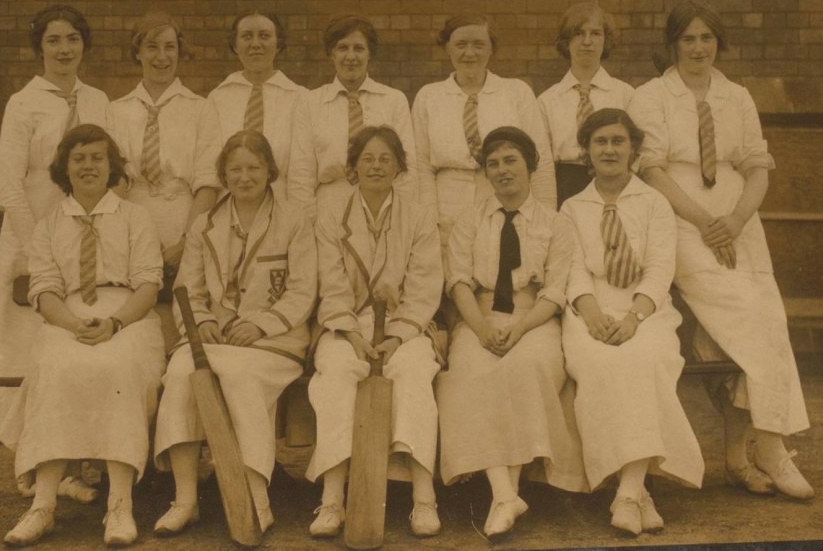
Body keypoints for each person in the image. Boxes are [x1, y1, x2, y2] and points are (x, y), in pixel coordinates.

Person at [628, 0, 813, 500]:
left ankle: (743, 456)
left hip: (740, 223)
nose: (697, 48)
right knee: (746, 321)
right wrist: (706, 222)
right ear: (672, 45)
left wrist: (733, 220)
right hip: (681, 221)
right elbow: (651, 169)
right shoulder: (650, 97)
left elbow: (757, 165)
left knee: (767, 320)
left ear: (718, 43)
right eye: (687, 39)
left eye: (706, 38)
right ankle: (773, 447)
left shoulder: (738, 96)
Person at [0, 124, 165, 547]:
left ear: (111, 167)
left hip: (128, 318)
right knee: (55, 366)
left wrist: (116, 323)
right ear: (64, 168)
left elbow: (148, 284)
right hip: (67, 319)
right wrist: (73, 325)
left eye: (97, 157)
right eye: (79, 158)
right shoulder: (50, 223)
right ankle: (44, 505)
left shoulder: (135, 217)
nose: (88, 166)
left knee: (118, 365)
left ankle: (119, 504)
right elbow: (45, 290)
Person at [0, 4, 108, 502]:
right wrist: (37, 251)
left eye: (72, 39)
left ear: (83, 45)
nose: (64, 49)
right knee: (27, 355)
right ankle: (32, 465)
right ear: (40, 48)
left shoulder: (98, 100)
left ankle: (71, 462)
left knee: (73, 350)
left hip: (83, 242)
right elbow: (8, 185)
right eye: (53, 41)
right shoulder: (23, 104)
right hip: (30, 245)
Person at [152, 131, 317, 538]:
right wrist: (204, 321)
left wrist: (261, 323)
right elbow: (186, 289)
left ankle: (255, 495)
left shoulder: (295, 220)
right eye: (236, 169)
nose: (245, 177)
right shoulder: (205, 223)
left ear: (269, 171)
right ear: (223, 175)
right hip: (214, 336)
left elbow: (303, 289)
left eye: (254, 168)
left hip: (273, 341)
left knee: (241, 378)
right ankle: (185, 498)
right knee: (179, 375)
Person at [560, 108, 704, 536]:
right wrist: (591, 314)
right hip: (589, 309)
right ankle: (639, 492)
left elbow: (660, 268)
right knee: (603, 365)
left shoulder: (654, 202)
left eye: (618, 141)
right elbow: (573, 271)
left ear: (633, 150)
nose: (609, 149)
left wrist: (635, 317)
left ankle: (627, 492)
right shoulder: (572, 207)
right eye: (600, 142)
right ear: (587, 151)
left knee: (643, 361)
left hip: (646, 309)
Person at [436, 126, 585, 538]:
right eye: (493, 164)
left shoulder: (555, 223)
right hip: (479, 316)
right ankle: (506, 494)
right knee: (466, 376)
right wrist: (480, 328)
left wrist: (520, 326)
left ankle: (505, 494)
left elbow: (555, 291)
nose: (502, 171)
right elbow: (459, 282)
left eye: (511, 161)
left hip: (533, 316)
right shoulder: (469, 221)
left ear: (531, 166)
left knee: (526, 368)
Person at [306, 126, 443, 539]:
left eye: (386, 159)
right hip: (346, 328)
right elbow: (329, 286)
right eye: (367, 159)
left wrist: (397, 336)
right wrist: (352, 334)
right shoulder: (332, 217)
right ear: (353, 168)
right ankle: (333, 498)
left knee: (415, 371)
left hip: (405, 326)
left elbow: (423, 289)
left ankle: (423, 497)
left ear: (400, 168)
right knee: (334, 374)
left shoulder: (418, 216)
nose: (376, 166)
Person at [105, 11, 219, 347]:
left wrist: (187, 240)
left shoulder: (201, 108)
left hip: (184, 217)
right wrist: (133, 233)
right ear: (137, 52)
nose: (161, 57)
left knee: (181, 306)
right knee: (139, 305)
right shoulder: (116, 110)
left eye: (170, 47)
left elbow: (208, 181)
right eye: (152, 47)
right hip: (133, 215)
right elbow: (115, 180)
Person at [412, 14, 556, 248]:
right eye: (460, 45)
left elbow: (541, 161)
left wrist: (545, 219)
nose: (469, 53)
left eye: (479, 45)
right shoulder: (429, 97)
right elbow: (420, 166)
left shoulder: (516, 92)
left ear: (492, 49)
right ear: (447, 48)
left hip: (506, 202)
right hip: (447, 209)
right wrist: (428, 223)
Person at [287, 13, 416, 221]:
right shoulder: (310, 102)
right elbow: (301, 173)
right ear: (331, 53)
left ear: (369, 53)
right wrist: (305, 225)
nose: (351, 57)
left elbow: (408, 166)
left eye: (359, 48)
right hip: (329, 205)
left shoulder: (393, 100)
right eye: (342, 48)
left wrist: (400, 217)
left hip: (382, 204)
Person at [199, 10, 306, 202]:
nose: (256, 44)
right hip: (228, 206)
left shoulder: (300, 98)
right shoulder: (218, 98)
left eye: (264, 36)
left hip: (281, 206)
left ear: (278, 44)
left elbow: (302, 172)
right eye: (247, 36)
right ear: (235, 45)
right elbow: (208, 167)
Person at [539, 3, 635, 208]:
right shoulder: (547, 100)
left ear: (606, 40)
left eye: (596, 34)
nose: (587, 42)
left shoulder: (626, 94)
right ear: (566, 41)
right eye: (578, 34)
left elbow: (636, 152)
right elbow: (543, 163)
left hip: (615, 183)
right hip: (566, 185)